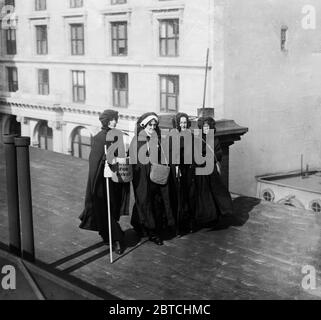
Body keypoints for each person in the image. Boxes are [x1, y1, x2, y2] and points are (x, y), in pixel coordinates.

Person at [79, 109, 130, 255]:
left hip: (114, 179)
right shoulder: (99, 138)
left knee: (112, 208)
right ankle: (117, 238)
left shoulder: (118, 136)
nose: (115, 122)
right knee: (103, 209)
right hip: (101, 182)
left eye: (116, 119)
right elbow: (94, 162)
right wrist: (104, 163)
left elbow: (120, 156)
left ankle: (108, 235)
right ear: (106, 121)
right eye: (112, 119)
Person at [130, 112, 175, 245]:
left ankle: (152, 230)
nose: (152, 127)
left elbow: (164, 155)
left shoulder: (157, 139)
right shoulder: (137, 140)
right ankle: (149, 231)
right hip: (143, 179)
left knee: (156, 202)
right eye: (150, 124)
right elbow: (133, 159)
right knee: (144, 201)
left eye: (155, 125)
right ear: (144, 125)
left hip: (156, 177)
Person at [194, 116, 233, 227]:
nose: (206, 129)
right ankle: (207, 217)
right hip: (201, 169)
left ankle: (218, 215)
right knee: (204, 193)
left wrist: (209, 156)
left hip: (211, 170)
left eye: (208, 127)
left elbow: (219, 154)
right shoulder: (198, 139)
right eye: (204, 127)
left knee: (216, 191)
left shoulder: (214, 139)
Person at [170, 112, 196, 235]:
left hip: (189, 170)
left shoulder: (190, 135)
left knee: (189, 196)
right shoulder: (175, 135)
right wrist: (176, 167)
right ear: (178, 124)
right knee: (180, 197)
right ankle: (179, 227)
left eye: (185, 122)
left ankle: (189, 224)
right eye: (181, 123)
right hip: (179, 169)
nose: (183, 125)